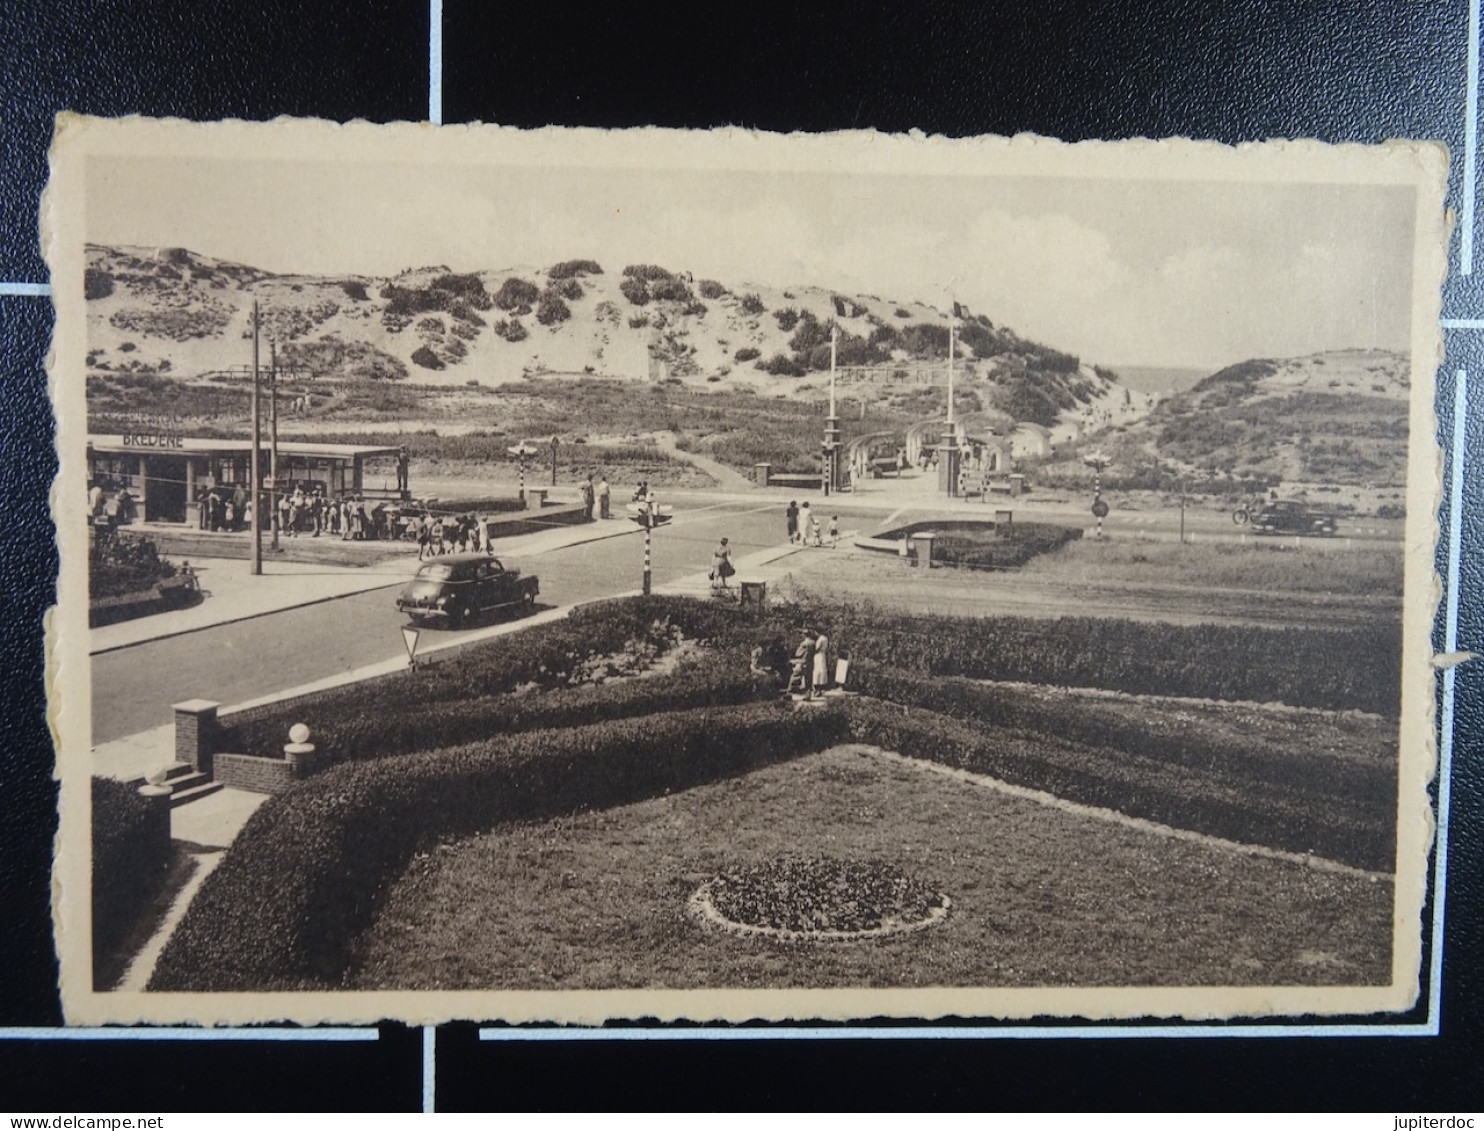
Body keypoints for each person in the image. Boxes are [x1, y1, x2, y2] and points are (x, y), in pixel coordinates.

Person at [812, 628, 831, 697]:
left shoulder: (821, 639)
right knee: (821, 671)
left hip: (818, 656)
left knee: (817, 672)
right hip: (823, 655)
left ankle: (818, 690)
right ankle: (819, 689)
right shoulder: (825, 638)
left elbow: (817, 649)